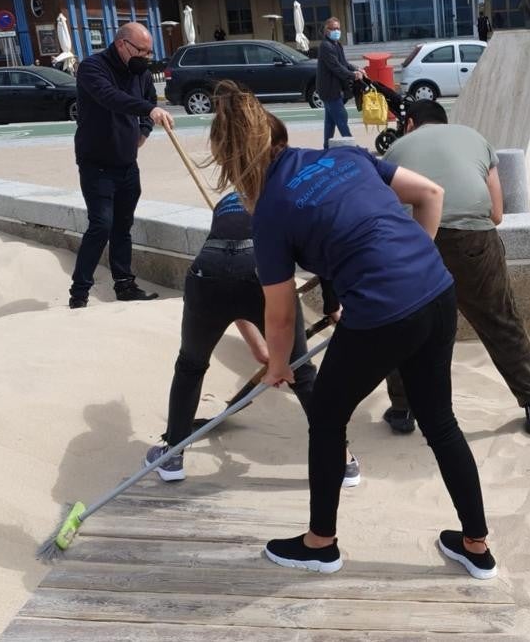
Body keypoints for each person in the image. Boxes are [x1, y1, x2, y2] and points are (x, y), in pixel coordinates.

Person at [208, 81, 497, 579]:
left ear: (239, 163)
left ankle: (320, 544)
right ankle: (476, 546)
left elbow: (277, 314)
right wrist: (407, 267)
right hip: (435, 290)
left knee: (325, 417)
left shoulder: (271, 210)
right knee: (439, 420)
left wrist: (278, 365)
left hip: (386, 308)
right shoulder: (346, 159)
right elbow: (431, 194)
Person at [143, 185, 361, 488]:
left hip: (208, 271)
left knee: (191, 365)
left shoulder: (226, 200)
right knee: (303, 373)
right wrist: (332, 304)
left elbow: (230, 279)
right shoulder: (292, 193)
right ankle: (342, 461)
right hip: (260, 270)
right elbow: (322, 252)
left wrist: (262, 345)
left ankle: (172, 457)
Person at [379, 100, 530, 435]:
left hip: (413, 242)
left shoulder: (395, 150)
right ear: (444, 122)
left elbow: (386, 210)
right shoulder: (474, 138)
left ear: (410, 125)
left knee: (402, 323)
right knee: (499, 319)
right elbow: (496, 213)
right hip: (472, 241)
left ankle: (403, 408)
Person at [68, 22, 175, 309]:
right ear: (121, 44)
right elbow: (111, 98)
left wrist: (144, 129)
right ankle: (79, 293)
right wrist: (148, 111)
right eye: (140, 50)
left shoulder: (139, 71)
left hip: (127, 163)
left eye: (149, 51)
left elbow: (149, 98)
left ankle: (125, 285)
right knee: (101, 224)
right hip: (96, 164)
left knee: (123, 227)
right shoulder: (92, 68)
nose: (145, 57)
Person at [316, 17, 365, 149]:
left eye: (338, 28)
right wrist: (353, 76)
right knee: (342, 119)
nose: (336, 31)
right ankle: (353, 149)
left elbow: (344, 63)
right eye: (333, 29)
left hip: (332, 89)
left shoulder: (336, 44)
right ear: (326, 31)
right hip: (330, 90)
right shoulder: (326, 46)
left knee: (330, 123)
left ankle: (326, 148)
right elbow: (336, 67)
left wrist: (356, 69)